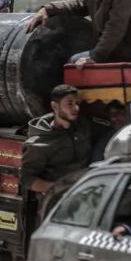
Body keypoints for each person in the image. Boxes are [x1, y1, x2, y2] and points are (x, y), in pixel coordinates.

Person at [22, 84, 109, 222]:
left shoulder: (83, 125)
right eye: (70, 104)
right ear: (55, 106)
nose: (76, 108)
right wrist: (57, 188)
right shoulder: (39, 143)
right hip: (57, 206)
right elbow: (26, 179)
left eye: (77, 103)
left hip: (86, 200)